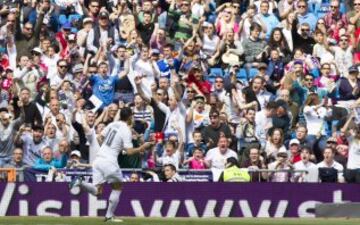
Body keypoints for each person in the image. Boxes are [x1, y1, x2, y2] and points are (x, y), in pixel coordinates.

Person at [69, 107, 152, 222]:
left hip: (99, 159)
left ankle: (80, 182)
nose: (133, 119)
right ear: (129, 118)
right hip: (110, 161)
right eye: (132, 116)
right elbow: (129, 152)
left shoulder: (113, 124)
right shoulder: (126, 130)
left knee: (98, 191)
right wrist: (142, 147)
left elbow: (99, 138)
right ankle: (109, 216)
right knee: (117, 187)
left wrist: (111, 147)